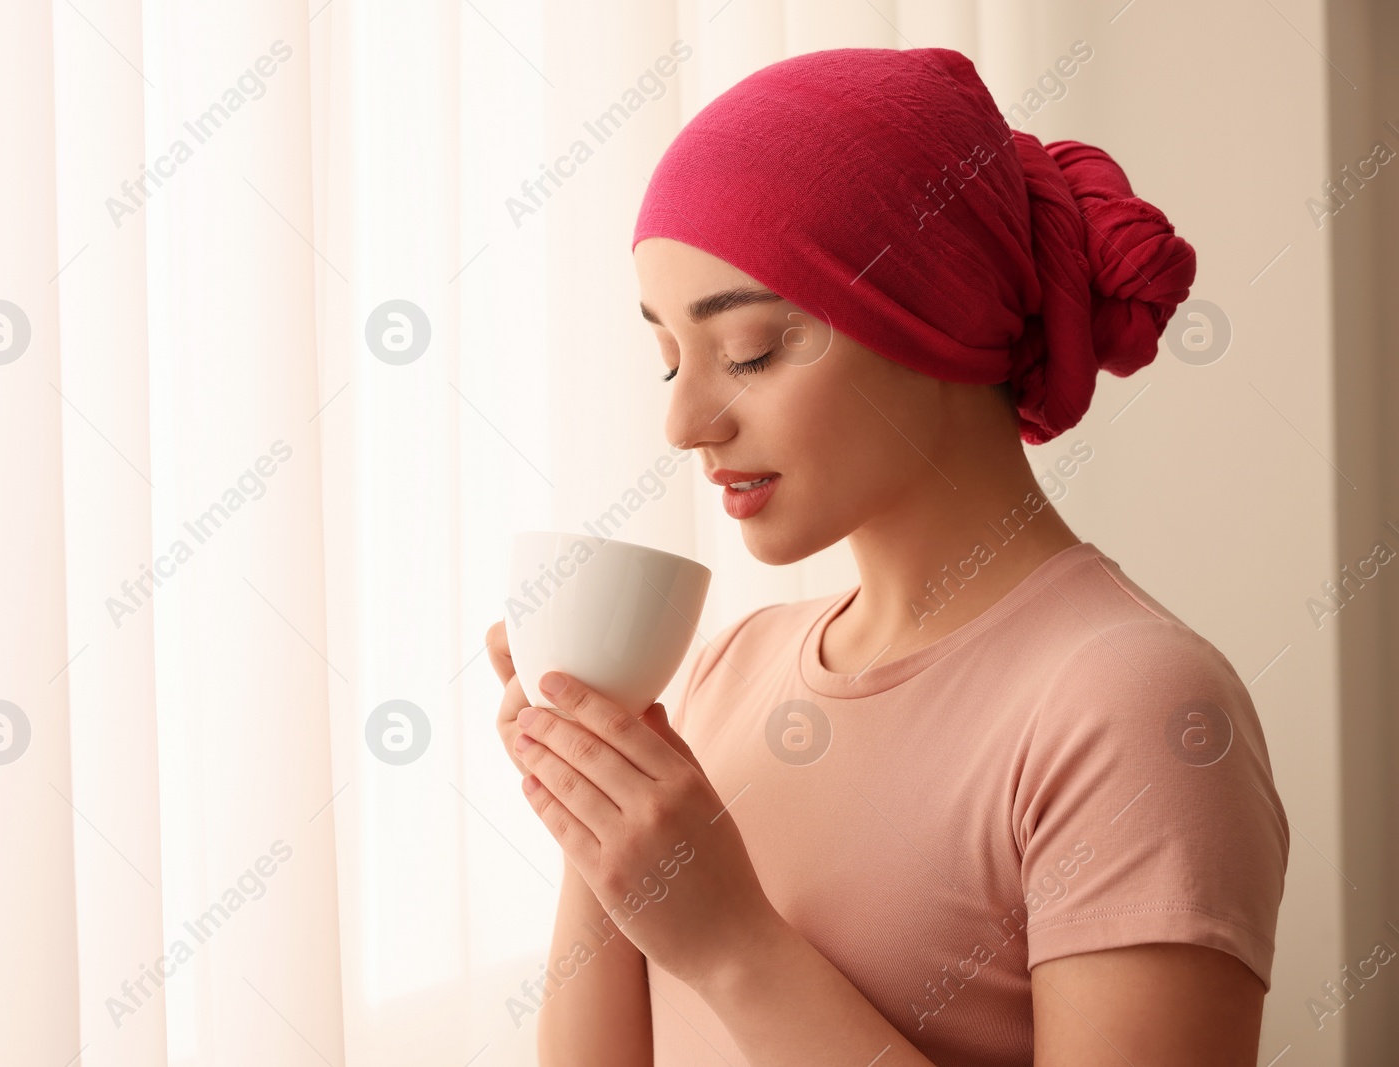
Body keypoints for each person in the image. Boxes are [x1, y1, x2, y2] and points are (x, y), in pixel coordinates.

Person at [488, 46, 1288, 1066]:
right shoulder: (733, 666)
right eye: (666, 361)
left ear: (934, 317)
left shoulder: (1135, 705)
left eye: (749, 351)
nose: (685, 421)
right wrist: (593, 796)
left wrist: (733, 944)